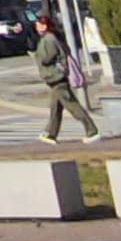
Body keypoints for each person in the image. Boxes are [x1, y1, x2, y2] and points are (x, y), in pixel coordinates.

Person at [33, 7, 98, 142]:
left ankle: (91, 130)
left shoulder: (48, 39)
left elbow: (47, 58)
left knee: (72, 105)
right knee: (55, 108)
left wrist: (37, 56)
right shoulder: (52, 37)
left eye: (41, 25)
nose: (38, 28)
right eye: (37, 25)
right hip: (56, 77)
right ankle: (51, 133)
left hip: (56, 77)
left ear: (46, 26)